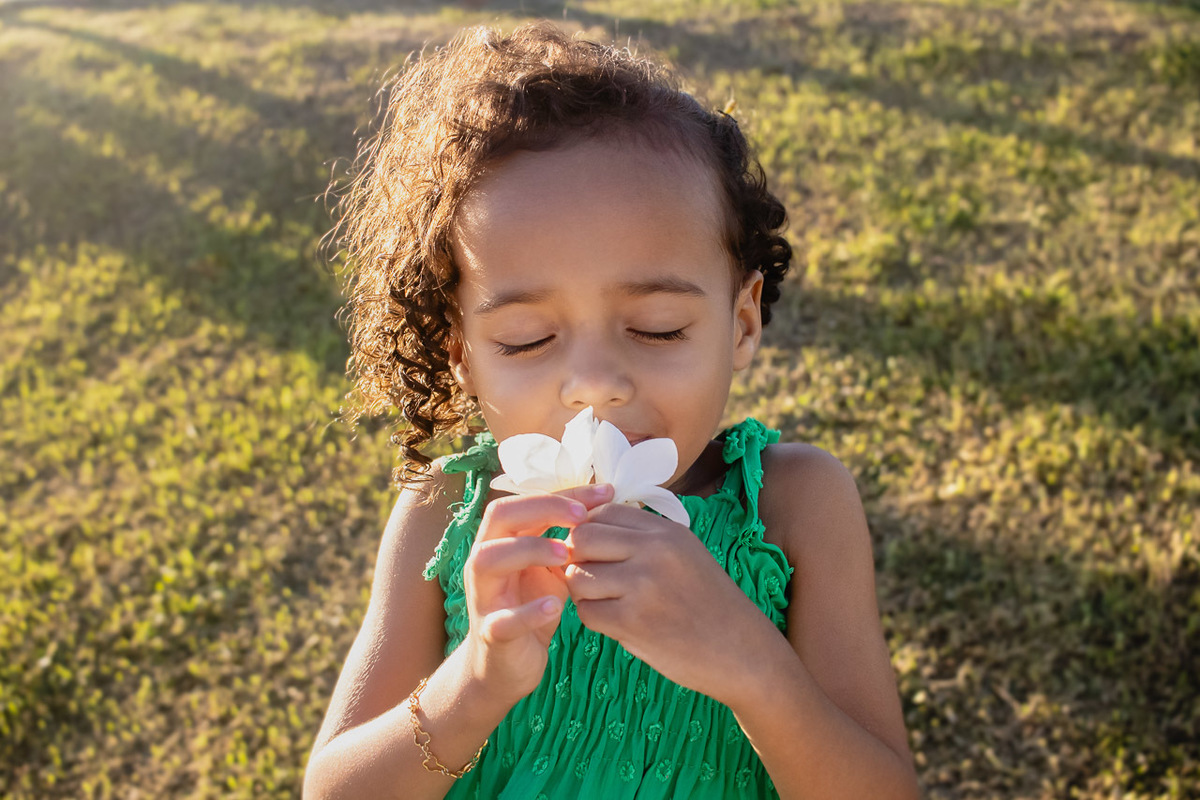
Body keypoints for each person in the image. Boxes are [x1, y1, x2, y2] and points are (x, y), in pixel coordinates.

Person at [304, 20, 918, 800]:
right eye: (527, 340)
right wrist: (476, 683)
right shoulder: (447, 511)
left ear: (741, 323)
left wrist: (753, 665)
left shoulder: (797, 505)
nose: (594, 386)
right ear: (462, 354)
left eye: (657, 327)